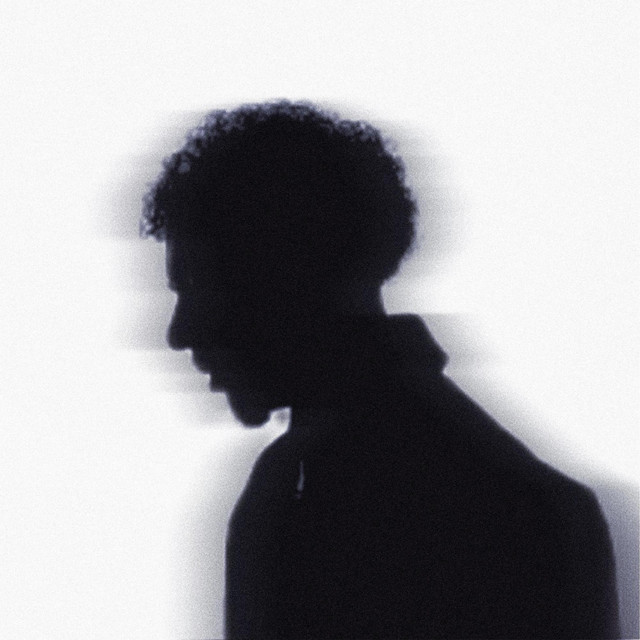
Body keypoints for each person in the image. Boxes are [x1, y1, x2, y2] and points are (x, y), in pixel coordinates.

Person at [141, 101, 620, 639]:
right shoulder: (543, 505)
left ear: (281, 277)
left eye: (198, 286)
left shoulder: (299, 496)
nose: (179, 333)